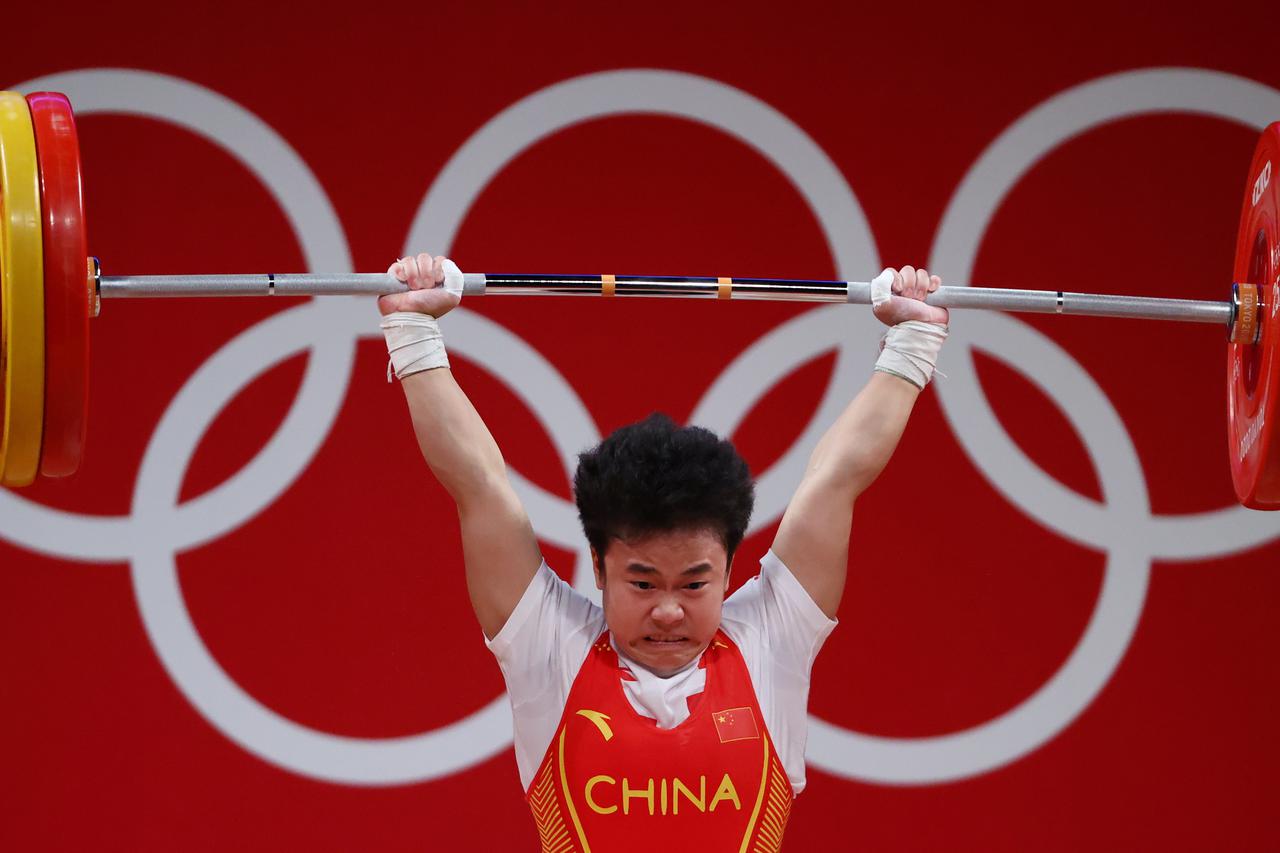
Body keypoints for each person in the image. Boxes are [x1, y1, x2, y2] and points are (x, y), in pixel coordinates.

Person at [379, 255, 947, 852]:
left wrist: (910, 343)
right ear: (598, 569)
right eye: (644, 584)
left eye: (695, 585)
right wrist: (414, 334)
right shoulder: (550, 649)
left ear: (729, 571)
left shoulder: (771, 640)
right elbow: (479, 485)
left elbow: (838, 476)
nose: (669, 611)